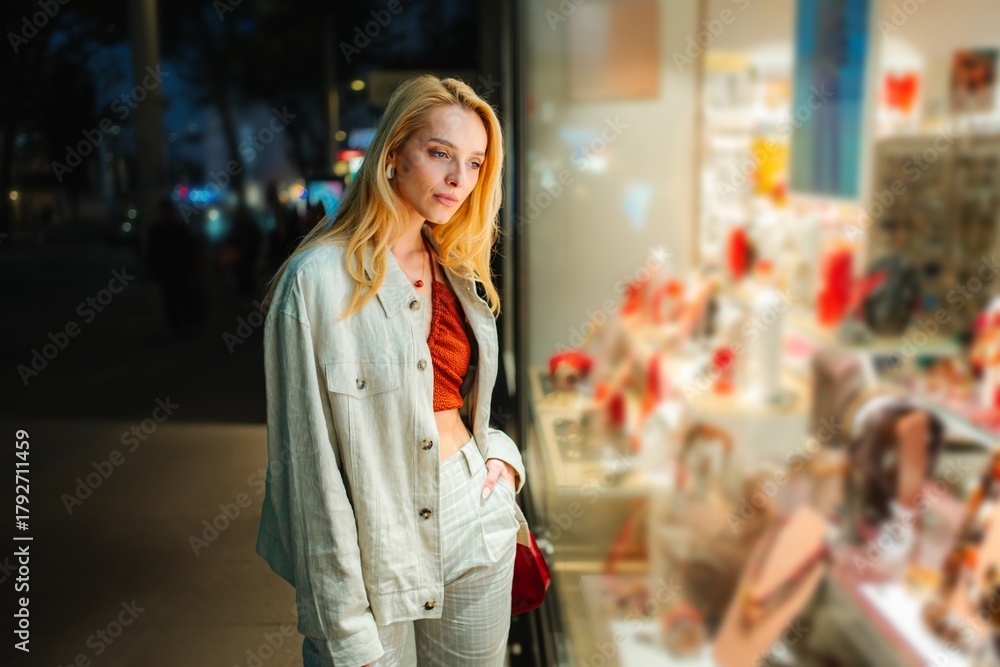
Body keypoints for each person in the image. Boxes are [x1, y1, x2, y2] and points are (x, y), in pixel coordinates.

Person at [256, 74, 528, 667]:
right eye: (439, 154)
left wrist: (503, 462)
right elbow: (307, 472)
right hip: (374, 538)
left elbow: (467, 402)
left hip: (473, 512)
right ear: (392, 155)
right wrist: (341, 626)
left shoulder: (458, 267)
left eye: (476, 163)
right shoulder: (317, 282)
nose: (459, 179)